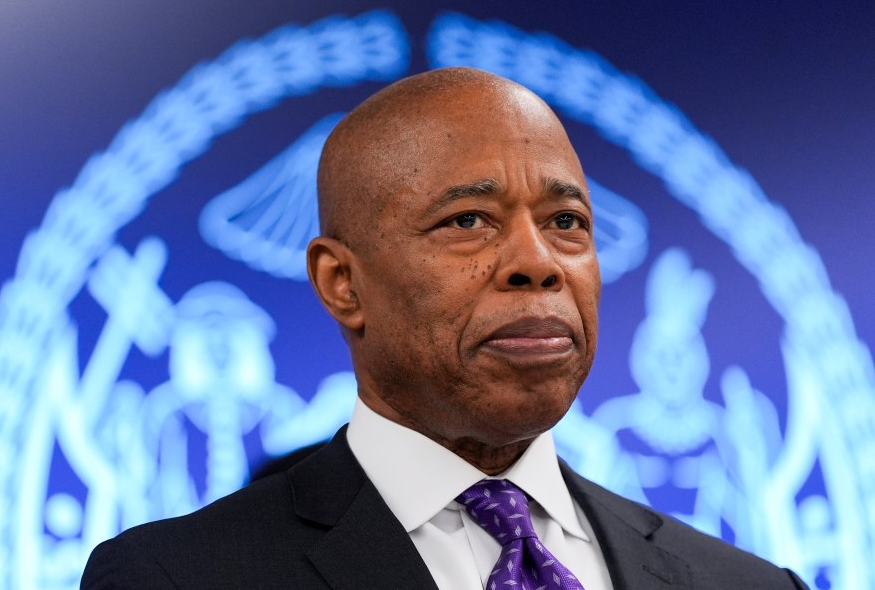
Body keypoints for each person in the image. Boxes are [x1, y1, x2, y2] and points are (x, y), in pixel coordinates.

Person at [81, 67, 808, 589]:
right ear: (343, 283)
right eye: (468, 221)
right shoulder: (175, 577)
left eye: (567, 223)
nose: (538, 261)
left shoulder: (746, 583)